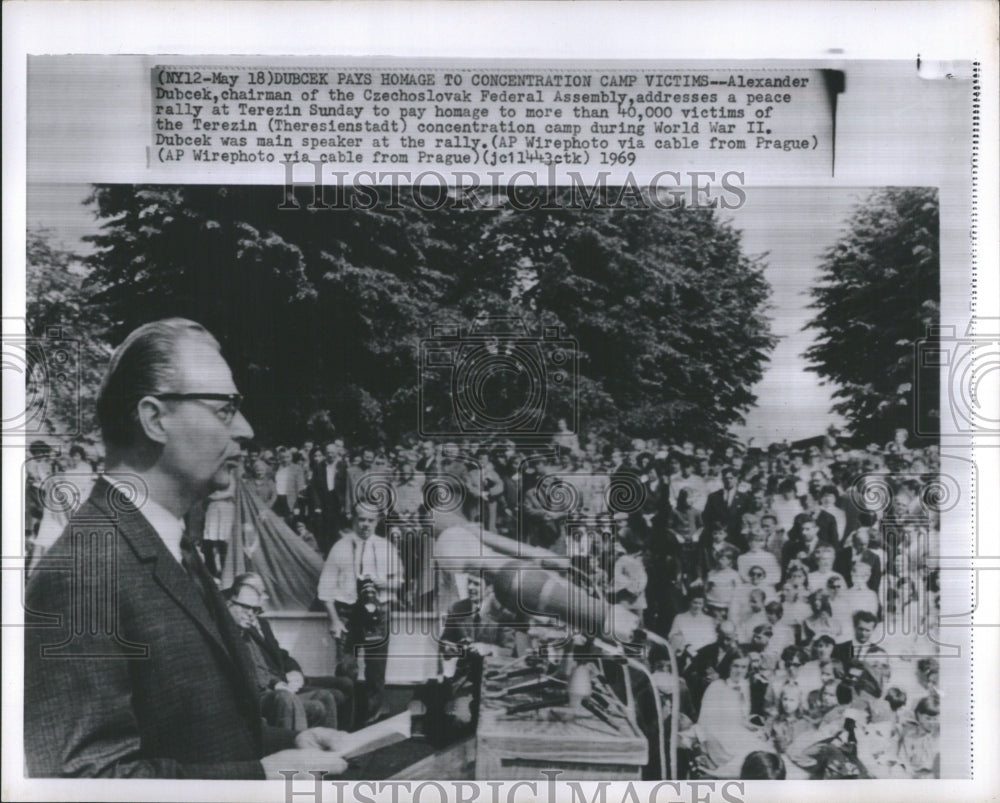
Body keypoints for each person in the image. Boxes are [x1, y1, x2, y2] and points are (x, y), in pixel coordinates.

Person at [24, 318, 347, 778]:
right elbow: (82, 781)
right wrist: (256, 779)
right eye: (226, 408)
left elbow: (194, 734)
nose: (247, 429)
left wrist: (289, 742)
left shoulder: (173, 546)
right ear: (155, 418)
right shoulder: (82, 572)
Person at [226, 573, 354, 732]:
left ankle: (330, 750)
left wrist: (291, 673)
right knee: (285, 699)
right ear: (229, 603)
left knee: (325, 697)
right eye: (245, 607)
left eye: (254, 609)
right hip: (250, 696)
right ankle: (294, 747)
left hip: (275, 684)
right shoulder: (227, 634)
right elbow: (246, 672)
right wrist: (276, 684)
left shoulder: (248, 632)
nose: (250, 613)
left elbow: (274, 659)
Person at [318, 502, 402, 726]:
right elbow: (325, 588)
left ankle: (372, 719)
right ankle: (346, 719)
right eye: (361, 519)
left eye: (370, 520)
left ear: (377, 522)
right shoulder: (340, 548)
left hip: (378, 613)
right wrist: (334, 620)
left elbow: (399, 581)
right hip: (347, 613)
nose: (365, 525)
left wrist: (380, 582)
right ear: (354, 520)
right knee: (346, 669)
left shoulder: (386, 548)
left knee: (376, 670)